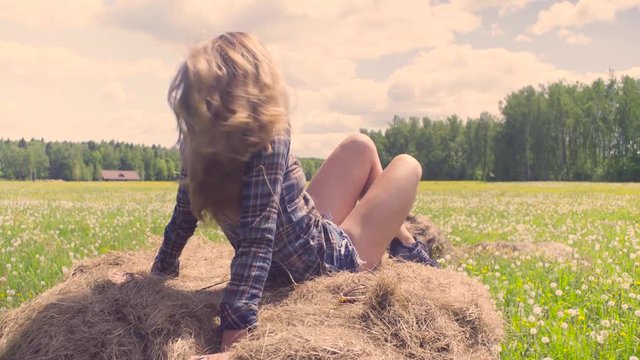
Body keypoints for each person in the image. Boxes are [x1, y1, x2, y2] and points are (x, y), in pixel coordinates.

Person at [150, 32, 438, 360]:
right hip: (326, 264)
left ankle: (402, 241)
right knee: (408, 165)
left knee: (360, 145)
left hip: (297, 244)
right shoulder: (267, 133)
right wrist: (234, 340)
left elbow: (186, 212)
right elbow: (256, 236)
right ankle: (406, 246)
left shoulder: (198, 142)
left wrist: (163, 267)